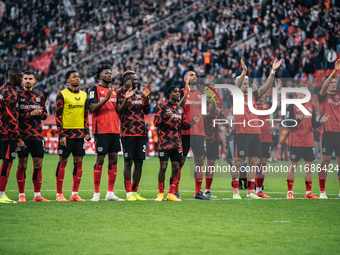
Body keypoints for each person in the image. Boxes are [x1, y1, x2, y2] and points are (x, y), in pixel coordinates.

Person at [232, 59, 282, 199]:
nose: (246, 85)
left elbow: (266, 86)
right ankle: (236, 191)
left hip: (255, 133)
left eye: (248, 83)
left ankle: (250, 192)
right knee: (238, 161)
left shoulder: (252, 97)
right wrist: (243, 73)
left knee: (253, 162)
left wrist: (273, 71)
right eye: (244, 83)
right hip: (241, 133)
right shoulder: (235, 96)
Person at [154, 85, 201, 201]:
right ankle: (160, 193)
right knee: (163, 167)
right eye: (175, 92)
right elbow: (156, 122)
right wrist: (165, 116)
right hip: (164, 143)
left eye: (178, 92)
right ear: (169, 94)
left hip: (177, 143)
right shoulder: (162, 106)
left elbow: (184, 126)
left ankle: (171, 194)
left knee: (175, 168)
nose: (178, 94)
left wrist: (193, 121)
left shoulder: (180, 109)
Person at [285, 84, 329, 199]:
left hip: (309, 142)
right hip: (296, 141)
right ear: (297, 93)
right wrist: (299, 119)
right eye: (302, 91)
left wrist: (320, 121)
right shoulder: (291, 106)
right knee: (293, 166)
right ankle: (290, 192)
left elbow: (313, 124)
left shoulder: (311, 107)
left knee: (309, 166)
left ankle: (308, 192)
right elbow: (288, 124)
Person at [88, 65, 124, 202]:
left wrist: (125, 98)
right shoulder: (94, 89)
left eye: (110, 73)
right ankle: (96, 193)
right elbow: (92, 108)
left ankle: (110, 193)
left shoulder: (114, 91)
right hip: (101, 129)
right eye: (106, 73)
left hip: (115, 129)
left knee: (114, 159)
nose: (110, 75)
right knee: (100, 158)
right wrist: (105, 99)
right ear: (100, 76)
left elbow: (119, 111)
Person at [55, 70, 91, 202]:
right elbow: (58, 116)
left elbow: (85, 115)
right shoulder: (62, 95)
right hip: (66, 134)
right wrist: (61, 135)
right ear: (68, 80)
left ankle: (74, 194)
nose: (77, 78)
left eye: (78, 76)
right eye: (74, 77)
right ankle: (59, 194)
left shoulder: (84, 95)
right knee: (63, 161)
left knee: (79, 162)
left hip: (79, 134)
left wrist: (87, 131)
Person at [117, 70, 152, 201]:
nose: (137, 81)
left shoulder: (139, 94)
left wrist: (146, 97)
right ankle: (128, 193)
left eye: (137, 79)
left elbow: (147, 111)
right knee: (128, 162)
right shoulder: (120, 94)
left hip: (141, 133)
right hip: (128, 133)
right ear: (126, 81)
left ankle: (135, 191)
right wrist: (126, 98)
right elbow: (119, 111)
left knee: (139, 162)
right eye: (133, 79)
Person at [16, 71, 50, 202]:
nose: (28, 81)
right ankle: (21, 195)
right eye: (25, 78)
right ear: (22, 80)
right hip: (22, 136)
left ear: (35, 81)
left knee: (38, 165)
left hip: (37, 135)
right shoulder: (18, 95)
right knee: (22, 164)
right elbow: (15, 116)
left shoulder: (39, 95)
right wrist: (31, 113)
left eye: (30, 78)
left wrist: (40, 113)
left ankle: (37, 195)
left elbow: (45, 115)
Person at [178, 71, 208, 200]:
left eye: (195, 75)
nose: (194, 76)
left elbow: (206, 113)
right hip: (184, 132)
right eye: (191, 75)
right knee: (180, 161)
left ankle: (198, 192)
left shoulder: (201, 95)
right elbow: (178, 108)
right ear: (185, 79)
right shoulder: (180, 92)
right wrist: (186, 93)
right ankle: (174, 191)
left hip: (199, 132)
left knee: (199, 162)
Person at [253, 79, 282, 198]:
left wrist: (278, 90)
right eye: (259, 94)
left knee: (262, 165)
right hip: (254, 138)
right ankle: (251, 188)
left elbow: (278, 104)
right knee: (254, 163)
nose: (262, 97)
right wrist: (254, 88)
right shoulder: (251, 105)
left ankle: (259, 190)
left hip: (266, 138)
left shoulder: (267, 106)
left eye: (263, 95)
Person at [0, 67, 25, 203]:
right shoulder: (11, 93)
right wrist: (18, 138)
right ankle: (1, 195)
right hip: (6, 134)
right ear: (15, 77)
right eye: (21, 77)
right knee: (7, 162)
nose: (22, 79)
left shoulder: (2, 90)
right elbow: (11, 118)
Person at [317, 59, 340, 199]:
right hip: (328, 133)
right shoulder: (323, 97)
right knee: (325, 161)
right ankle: (322, 191)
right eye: (331, 82)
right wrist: (334, 72)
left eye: (335, 82)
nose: (333, 84)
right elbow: (323, 87)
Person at [203, 92, 225, 199]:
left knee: (211, 164)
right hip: (201, 136)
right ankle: (197, 189)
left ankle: (207, 190)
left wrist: (219, 114)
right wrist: (212, 114)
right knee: (200, 163)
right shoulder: (201, 103)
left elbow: (223, 120)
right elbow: (201, 118)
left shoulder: (218, 105)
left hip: (213, 138)